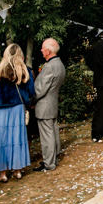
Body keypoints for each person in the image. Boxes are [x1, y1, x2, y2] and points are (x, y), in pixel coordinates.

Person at [0, 43, 35, 182]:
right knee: (17, 138)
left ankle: (3, 173)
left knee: (1, 139)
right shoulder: (25, 70)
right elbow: (31, 91)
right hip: (17, 107)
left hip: (0, 109)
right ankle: (17, 171)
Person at [32, 38, 66, 172]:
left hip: (44, 104)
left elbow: (40, 89)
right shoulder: (59, 64)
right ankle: (54, 158)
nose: (41, 50)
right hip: (52, 103)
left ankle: (49, 163)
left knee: (47, 135)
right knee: (53, 131)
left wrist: (31, 101)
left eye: (42, 48)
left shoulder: (50, 67)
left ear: (48, 50)